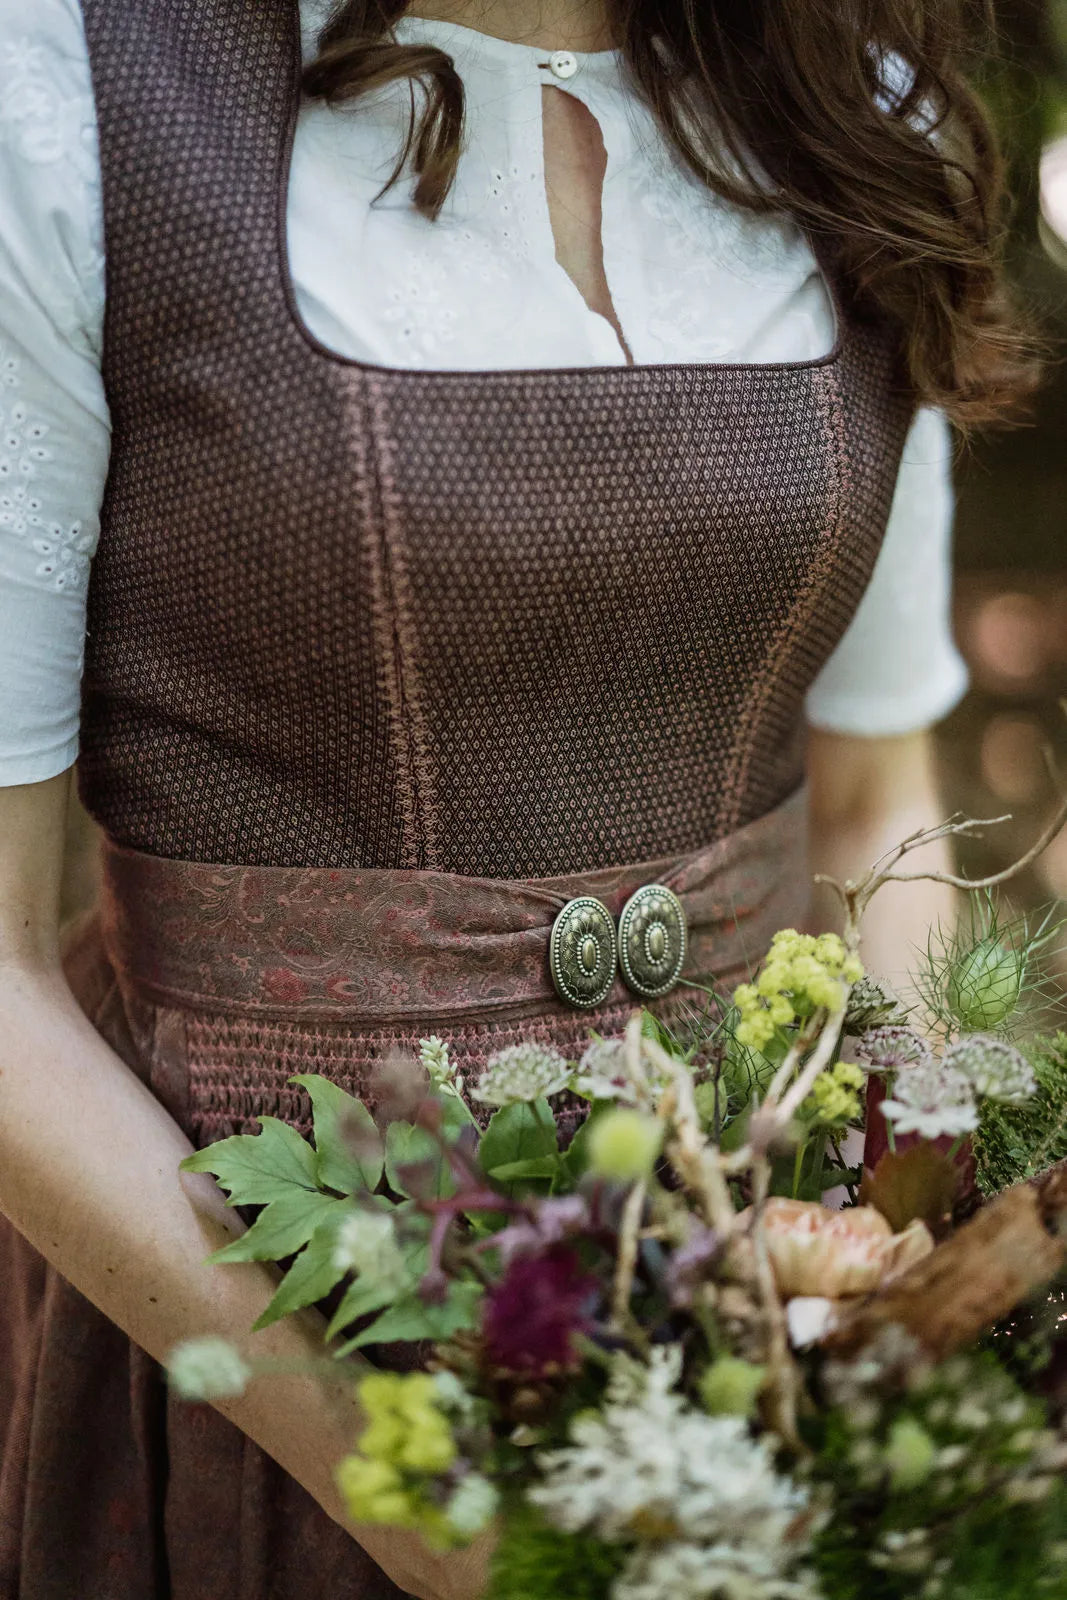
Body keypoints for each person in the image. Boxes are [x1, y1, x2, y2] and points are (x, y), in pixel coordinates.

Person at [0, 0, 1032, 1595]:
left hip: (761, 1368)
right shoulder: (73, 87)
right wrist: (406, 1495)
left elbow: (875, 806)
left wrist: (875, 1303)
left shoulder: (850, 106)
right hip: (265, 1355)